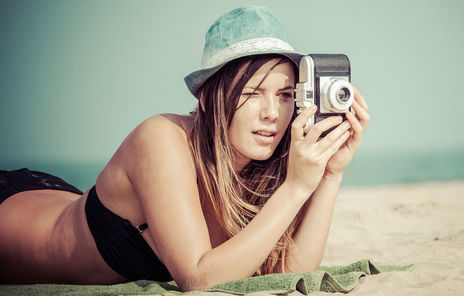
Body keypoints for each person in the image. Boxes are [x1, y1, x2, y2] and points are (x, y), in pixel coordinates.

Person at [0, 6, 369, 292]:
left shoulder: (267, 161)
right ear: (208, 98)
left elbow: (286, 272)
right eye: (252, 93)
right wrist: (296, 188)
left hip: (59, 197)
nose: (273, 113)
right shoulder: (162, 138)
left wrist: (329, 175)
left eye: (285, 95)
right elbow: (200, 281)